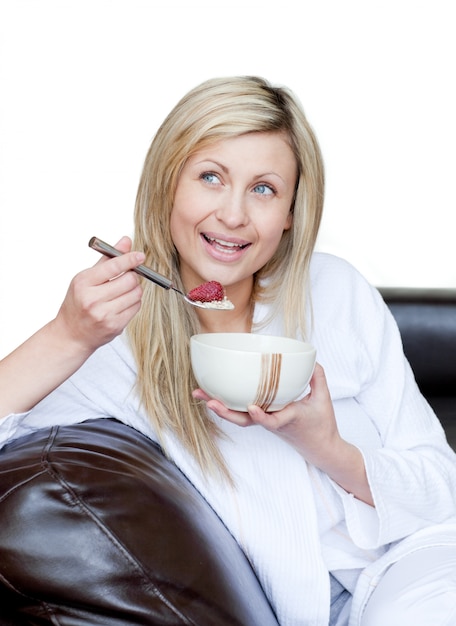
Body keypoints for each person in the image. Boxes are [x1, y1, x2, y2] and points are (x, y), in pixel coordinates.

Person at [1, 76, 456, 626]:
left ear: (290, 212)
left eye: (263, 189)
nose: (234, 215)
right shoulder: (123, 341)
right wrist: (67, 334)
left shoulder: (337, 291)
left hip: (420, 563)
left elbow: (440, 488)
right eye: (211, 178)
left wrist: (326, 446)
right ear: (169, 185)